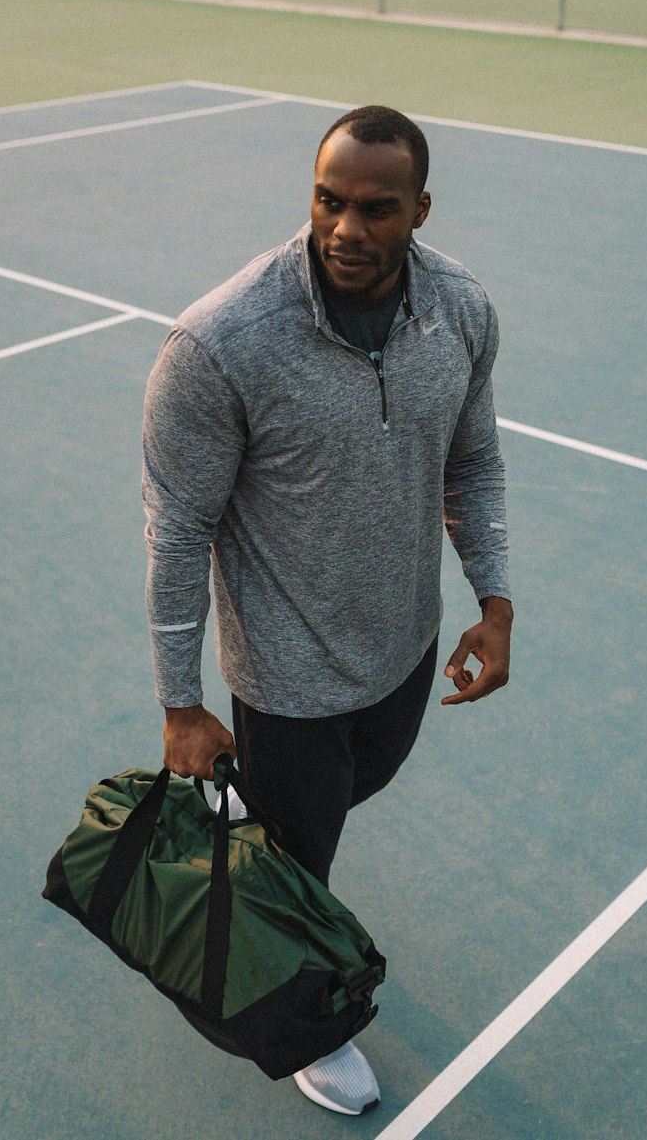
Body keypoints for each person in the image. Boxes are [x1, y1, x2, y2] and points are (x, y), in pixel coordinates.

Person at [142, 104, 513, 1115]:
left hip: (405, 642)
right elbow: (178, 534)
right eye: (327, 200)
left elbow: (472, 460)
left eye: (375, 208)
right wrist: (183, 704)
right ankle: (310, 1030)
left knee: (363, 780)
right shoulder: (222, 343)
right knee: (302, 868)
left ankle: (244, 818)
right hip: (288, 674)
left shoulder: (462, 312)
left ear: (419, 210)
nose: (345, 228)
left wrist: (495, 598)